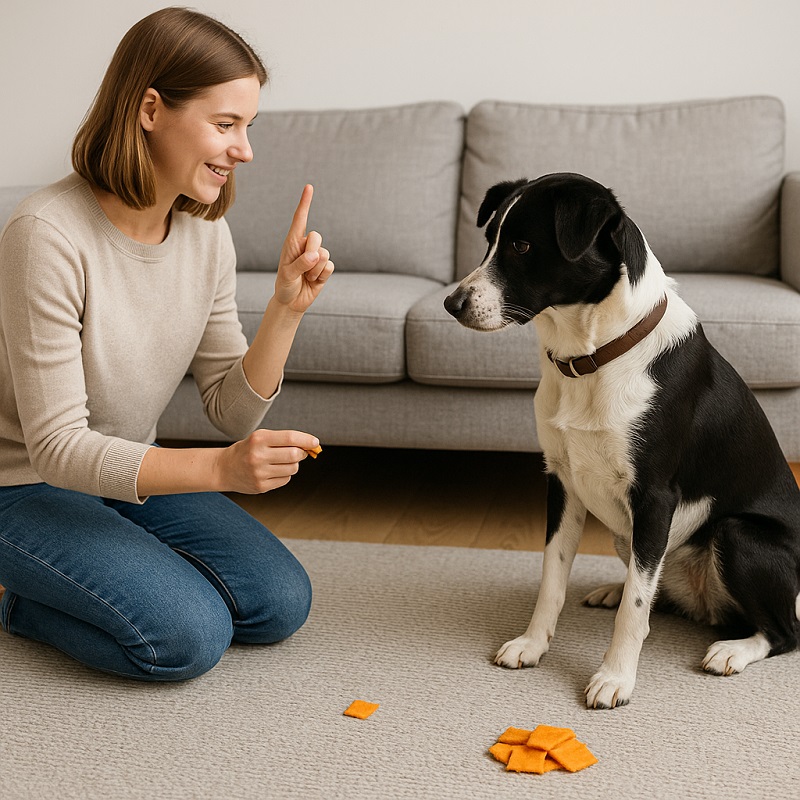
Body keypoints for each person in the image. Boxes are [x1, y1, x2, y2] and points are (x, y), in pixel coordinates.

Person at [0, 7, 334, 680]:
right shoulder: (45, 235)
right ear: (151, 108)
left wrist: (286, 310)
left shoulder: (205, 233)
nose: (245, 149)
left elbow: (231, 413)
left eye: (248, 126)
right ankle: (18, 603)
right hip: (22, 485)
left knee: (278, 603)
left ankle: (93, 571)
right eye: (225, 124)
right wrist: (221, 471)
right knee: (185, 637)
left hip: (125, 474)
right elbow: (59, 449)